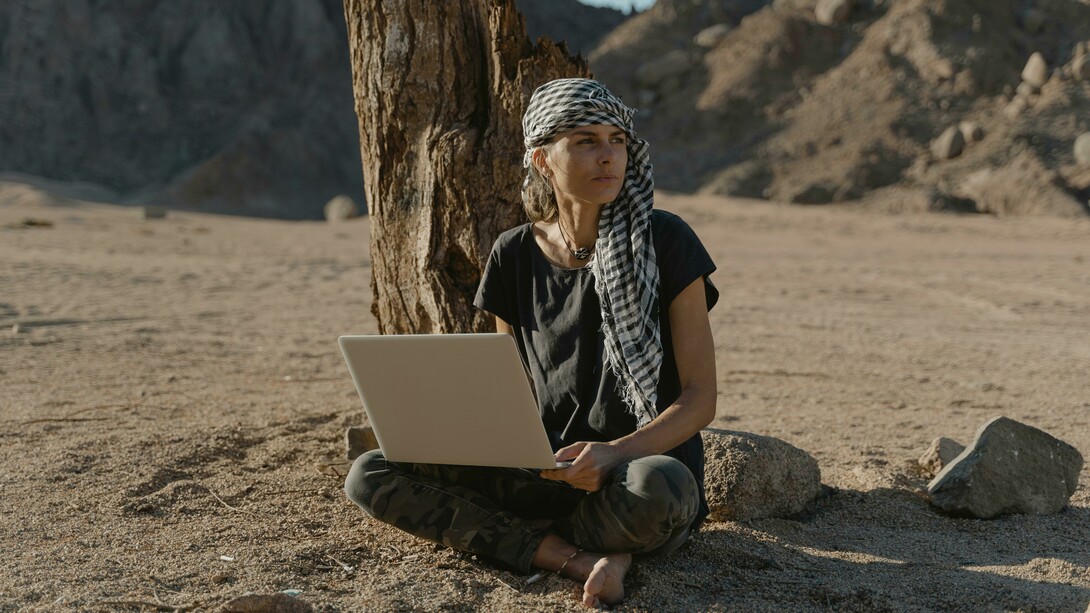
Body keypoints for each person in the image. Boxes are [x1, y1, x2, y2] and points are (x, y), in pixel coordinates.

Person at [345, 78, 718, 608]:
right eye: (586, 141)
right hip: (545, 469)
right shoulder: (514, 253)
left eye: (617, 140)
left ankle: (562, 540)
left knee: (662, 489)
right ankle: (580, 556)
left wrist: (614, 453)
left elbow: (700, 397)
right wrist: (504, 450)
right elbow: (510, 387)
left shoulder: (667, 241)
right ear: (543, 159)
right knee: (371, 472)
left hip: (634, 470)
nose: (608, 156)